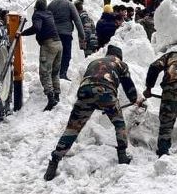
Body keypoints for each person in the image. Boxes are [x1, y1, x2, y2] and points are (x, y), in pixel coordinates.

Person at [43, 45, 144, 180]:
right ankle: (122, 155)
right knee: (119, 124)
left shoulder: (94, 62)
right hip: (106, 92)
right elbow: (128, 85)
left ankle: (54, 161)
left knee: (72, 128)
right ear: (119, 56)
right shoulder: (120, 64)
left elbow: (88, 81)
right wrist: (134, 99)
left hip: (85, 92)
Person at [20, 0, 62, 111]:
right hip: (59, 44)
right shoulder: (49, 13)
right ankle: (57, 95)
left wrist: (22, 33)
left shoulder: (38, 14)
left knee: (45, 73)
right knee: (55, 72)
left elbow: (36, 27)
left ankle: (51, 99)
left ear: (36, 7)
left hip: (48, 45)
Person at [47, 0, 85, 81]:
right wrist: (82, 35)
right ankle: (62, 73)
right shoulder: (69, 5)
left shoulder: (51, 4)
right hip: (66, 35)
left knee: (53, 54)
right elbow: (77, 20)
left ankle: (53, 73)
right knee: (66, 54)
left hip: (52, 34)